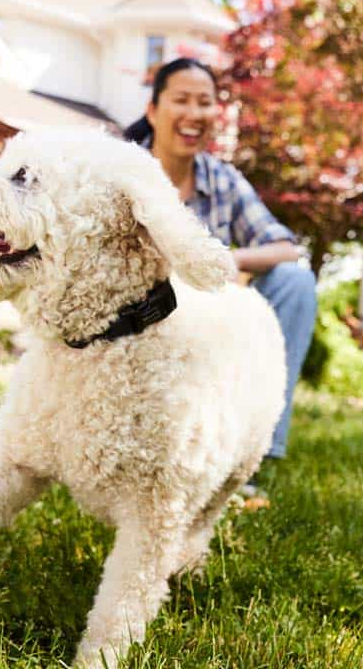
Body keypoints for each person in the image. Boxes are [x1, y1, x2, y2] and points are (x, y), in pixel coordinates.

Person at [124, 57, 317, 498]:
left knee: (295, 281)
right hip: (139, 325)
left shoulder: (222, 179)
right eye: (182, 101)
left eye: (205, 103)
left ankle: (259, 445)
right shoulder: (124, 174)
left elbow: (286, 247)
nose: (195, 114)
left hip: (210, 328)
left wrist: (220, 262)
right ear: (153, 111)